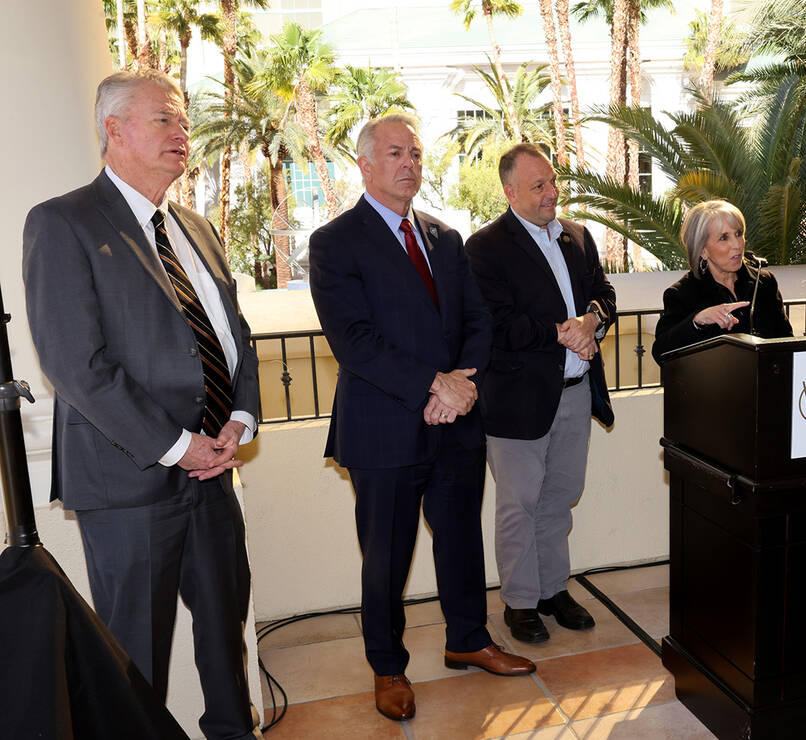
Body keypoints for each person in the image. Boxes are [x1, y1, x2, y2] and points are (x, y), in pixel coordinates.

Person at [22, 70, 262, 739]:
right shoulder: (62, 222)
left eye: (184, 122)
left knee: (225, 641)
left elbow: (234, 338)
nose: (182, 133)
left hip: (215, 477)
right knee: (135, 658)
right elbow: (76, 366)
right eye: (165, 120)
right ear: (114, 130)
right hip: (129, 486)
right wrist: (180, 445)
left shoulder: (198, 228)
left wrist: (238, 423)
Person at [307, 114, 534, 722]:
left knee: (460, 538)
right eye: (394, 153)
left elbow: (478, 323)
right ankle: (387, 666)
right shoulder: (334, 242)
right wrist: (434, 385)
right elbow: (353, 340)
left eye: (415, 152)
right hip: (384, 430)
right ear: (364, 164)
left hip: (456, 422)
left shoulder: (444, 237)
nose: (408, 163)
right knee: (386, 555)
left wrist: (459, 388)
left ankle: (468, 637)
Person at [464, 143, 616, 644]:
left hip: (574, 392)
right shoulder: (485, 248)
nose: (552, 192)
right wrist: (560, 332)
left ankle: (554, 590)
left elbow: (604, 293)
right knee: (519, 504)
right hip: (517, 401)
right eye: (538, 186)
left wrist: (592, 319)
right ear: (510, 192)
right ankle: (520, 602)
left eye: (552, 182)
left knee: (560, 498)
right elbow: (495, 325)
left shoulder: (578, 236)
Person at [651, 200, 793, 363]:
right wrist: (697, 322)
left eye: (739, 234)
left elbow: (786, 341)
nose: (737, 245)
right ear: (703, 250)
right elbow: (662, 353)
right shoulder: (682, 293)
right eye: (724, 238)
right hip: (713, 387)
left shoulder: (765, 282)